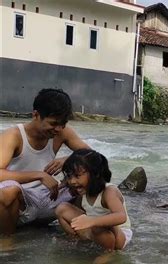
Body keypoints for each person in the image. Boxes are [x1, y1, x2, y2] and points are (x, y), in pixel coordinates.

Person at [0, 88, 90, 235]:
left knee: (91, 177)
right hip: (20, 205)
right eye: (53, 123)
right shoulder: (13, 136)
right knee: (8, 191)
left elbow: (93, 157)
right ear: (36, 115)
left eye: (63, 123)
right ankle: (7, 241)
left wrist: (69, 159)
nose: (58, 128)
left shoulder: (62, 132)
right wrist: (39, 175)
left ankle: (80, 237)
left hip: (49, 199)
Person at [55, 149, 132, 250]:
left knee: (97, 226)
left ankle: (109, 253)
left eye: (77, 176)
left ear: (95, 174)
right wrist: (61, 187)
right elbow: (77, 212)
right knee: (62, 208)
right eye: (69, 176)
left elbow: (121, 216)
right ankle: (74, 238)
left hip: (119, 237)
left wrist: (91, 221)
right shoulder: (84, 191)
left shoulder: (109, 191)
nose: (72, 181)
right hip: (96, 228)